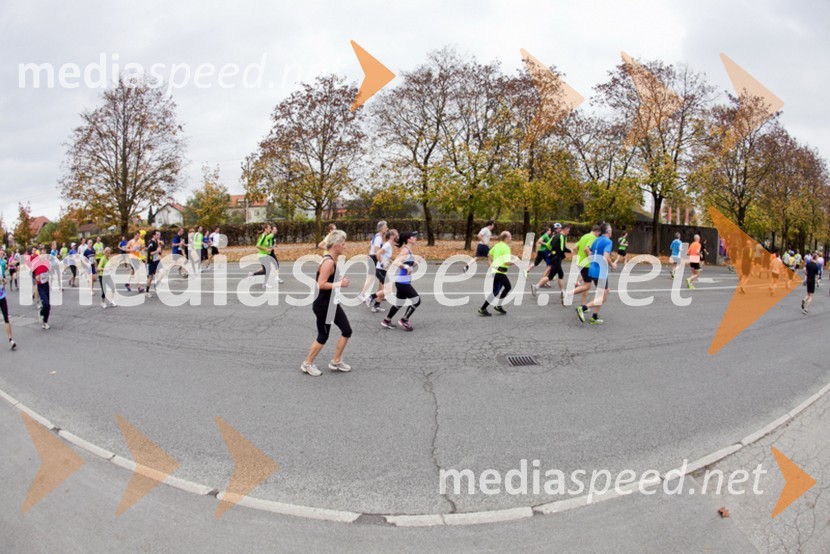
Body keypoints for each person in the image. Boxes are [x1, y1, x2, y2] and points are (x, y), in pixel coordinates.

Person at [301, 230, 353, 377]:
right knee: (323, 336)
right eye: (343, 244)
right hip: (323, 305)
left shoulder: (332, 260)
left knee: (347, 330)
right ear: (336, 245)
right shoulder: (328, 262)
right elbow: (321, 284)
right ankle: (307, 363)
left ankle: (336, 361)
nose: (345, 246)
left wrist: (339, 278)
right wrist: (340, 283)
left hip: (332, 304)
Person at [572, 222, 616, 325]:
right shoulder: (608, 241)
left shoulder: (596, 240)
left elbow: (590, 252)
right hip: (600, 272)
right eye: (611, 229)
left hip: (592, 269)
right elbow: (605, 256)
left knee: (603, 292)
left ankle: (594, 317)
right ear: (608, 231)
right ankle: (583, 308)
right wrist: (612, 264)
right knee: (603, 296)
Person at [381, 231, 421, 331]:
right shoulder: (405, 250)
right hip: (402, 282)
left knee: (399, 303)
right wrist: (406, 266)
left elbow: (409, 264)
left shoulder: (409, 250)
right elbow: (396, 262)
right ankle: (404, 320)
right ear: (408, 239)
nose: (415, 238)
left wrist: (416, 261)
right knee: (416, 300)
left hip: (403, 281)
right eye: (413, 236)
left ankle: (386, 320)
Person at [478, 231, 514, 316]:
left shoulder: (497, 245)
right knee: (505, 288)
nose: (511, 238)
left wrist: (490, 264)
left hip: (496, 271)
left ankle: (497, 306)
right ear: (506, 238)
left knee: (497, 290)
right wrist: (516, 261)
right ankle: (484, 308)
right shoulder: (506, 248)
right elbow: (507, 262)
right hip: (500, 272)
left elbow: (489, 254)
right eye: (510, 236)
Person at [365, 229, 398, 312]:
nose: (398, 236)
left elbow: (386, 256)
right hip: (380, 269)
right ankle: (371, 297)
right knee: (387, 290)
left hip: (383, 270)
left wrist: (392, 262)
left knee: (384, 290)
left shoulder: (389, 245)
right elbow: (378, 253)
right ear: (392, 236)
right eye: (396, 235)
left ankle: (376, 306)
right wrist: (382, 264)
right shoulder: (387, 245)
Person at [32, 251, 51, 330]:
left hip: (46, 285)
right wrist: (36, 276)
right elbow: (32, 272)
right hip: (40, 286)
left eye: (45, 254)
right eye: (42, 254)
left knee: (48, 305)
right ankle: (41, 312)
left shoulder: (47, 262)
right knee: (46, 303)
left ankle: (45, 322)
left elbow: (49, 271)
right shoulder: (36, 263)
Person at [0, 250, 16, 349]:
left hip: (2, 295)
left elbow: (3, 280)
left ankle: (11, 339)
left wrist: (4, 281)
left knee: (6, 318)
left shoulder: (1, 265)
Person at [145, 230, 163, 298]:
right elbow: (149, 253)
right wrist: (156, 251)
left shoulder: (157, 242)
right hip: (151, 262)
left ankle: (156, 284)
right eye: (158, 235)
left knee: (162, 273)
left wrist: (159, 252)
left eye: (159, 234)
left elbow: (159, 251)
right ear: (154, 235)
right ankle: (147, 292)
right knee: (150, 278)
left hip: (157, 261)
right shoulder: (151, 243)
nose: (159, 236)